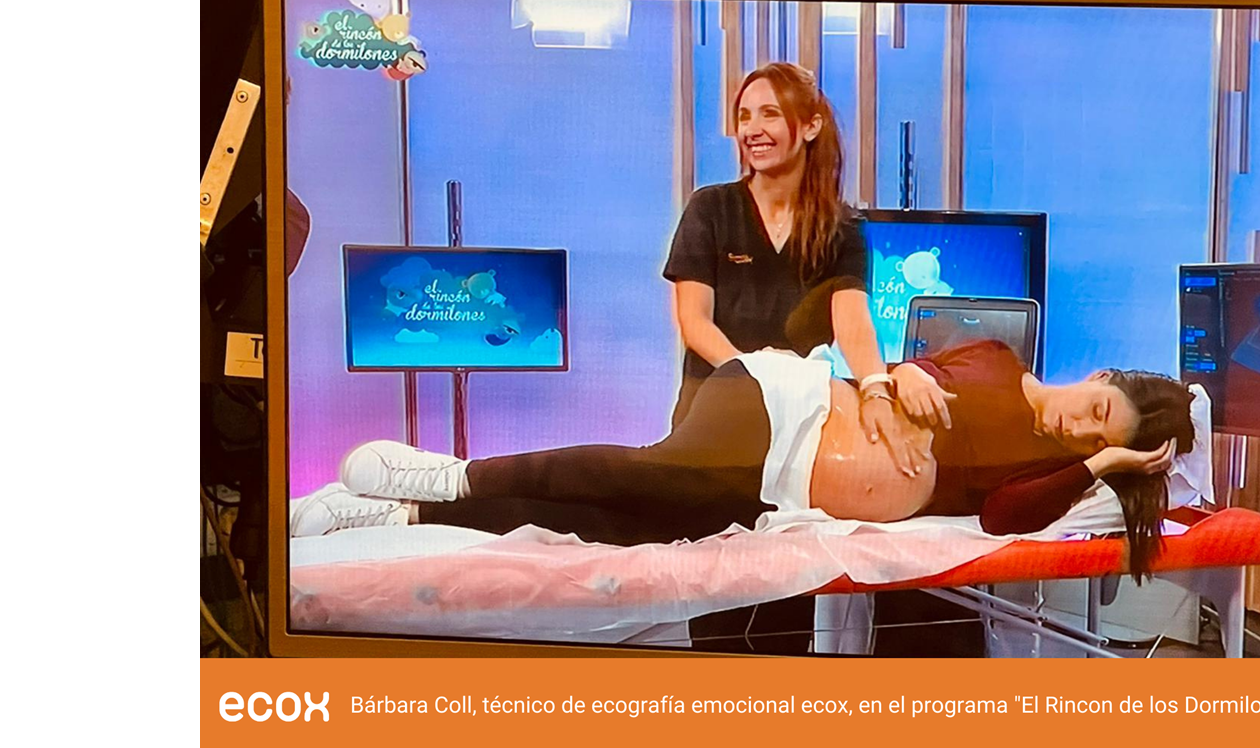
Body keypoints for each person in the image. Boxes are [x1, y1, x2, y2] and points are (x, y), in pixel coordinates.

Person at [292, 339, 1195, 582]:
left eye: (1098, 433)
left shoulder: (1037, 473)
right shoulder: (996, 358)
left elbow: (1001, 521)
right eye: (1097, 408)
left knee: (621, 529)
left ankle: (404, 512)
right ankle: (450, 474)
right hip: (782, 407)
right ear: (1098, 376)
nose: (1080, 425)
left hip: (780, 489)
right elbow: (894, 372)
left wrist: (1106, 463)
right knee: (651, 475)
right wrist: (900, 380)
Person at [664, 62, 920, 474]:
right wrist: (757, 379)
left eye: (769, 114)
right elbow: (694, 322)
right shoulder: (710, 208)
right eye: (744, 117)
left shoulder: (842, 227)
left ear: (810, 126)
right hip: (711, 416)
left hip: (798, 430)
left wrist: (876, 390)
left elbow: (853, 324)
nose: (752, 130)